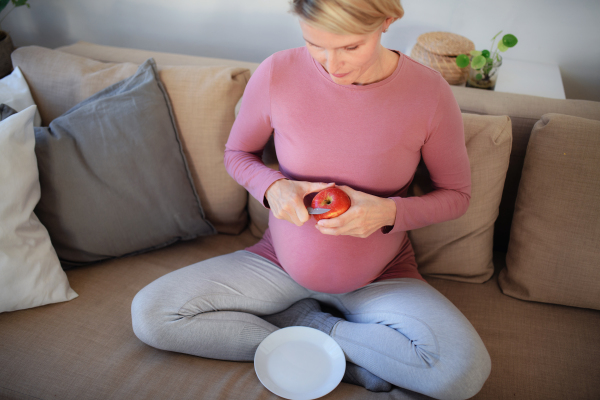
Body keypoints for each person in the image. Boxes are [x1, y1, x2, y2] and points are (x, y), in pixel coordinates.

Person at [131, 0, 492, 398]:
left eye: (350, 47)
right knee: (151, 316)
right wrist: (272, 186)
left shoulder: (429, 93)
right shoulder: (277, 72)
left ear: (387, 21)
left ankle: (312, 327)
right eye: (314, 43)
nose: (330, 64)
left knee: (462, 374)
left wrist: (389, 211)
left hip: (382, 276)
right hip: (276, 264)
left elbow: (457, 196)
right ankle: (351, 357)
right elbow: (237, 155)